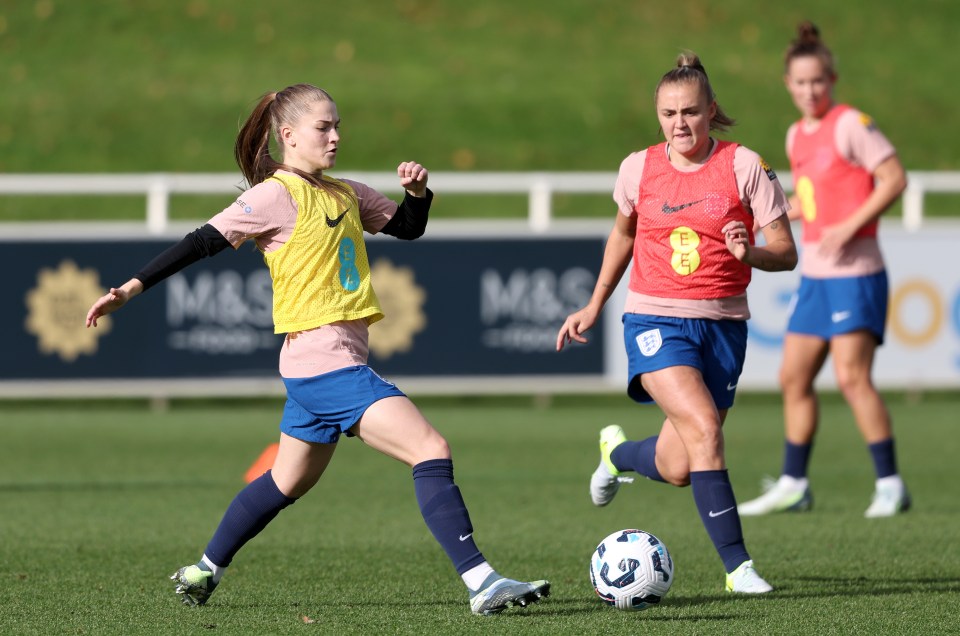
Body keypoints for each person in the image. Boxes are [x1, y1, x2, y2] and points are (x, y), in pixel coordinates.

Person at [85, 83, 550, 615]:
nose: (335, 136)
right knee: (431, 449)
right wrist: (128, 289)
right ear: (288, 136)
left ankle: (203, 569)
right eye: (323, 127)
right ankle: (483, 582)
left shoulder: (346, 192)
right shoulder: (273, 196)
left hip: (317, 370)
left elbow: (406, 228)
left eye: (337, 125)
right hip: (326, 366)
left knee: (284, 482)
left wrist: (418, 195)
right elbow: (199, 242)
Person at [556, 53, 798, 594]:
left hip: (724, 327)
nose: (679, 123)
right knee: (707, 431)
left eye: (690, 111)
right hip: (654, 320)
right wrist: (594, 303)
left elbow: (786, 251)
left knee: (680, 463)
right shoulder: (638, 168)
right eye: (668, 113)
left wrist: (749, 252)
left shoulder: (744, 166)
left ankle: (615, 454)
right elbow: (622, 235)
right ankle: (739, 568)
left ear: (711, 110)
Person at [738, 22, 909, 519]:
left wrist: (849, 226)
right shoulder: (796, 135)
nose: (810, 90)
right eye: (800, 82)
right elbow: (815, 198)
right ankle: (794, 483)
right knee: (793, 376)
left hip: (856, 273)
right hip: (816, 276)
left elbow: (894, 178)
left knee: (853, 378)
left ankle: (891, 484)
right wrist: (775, 215)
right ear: (787, 85)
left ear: (831, 78)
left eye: (818, 80)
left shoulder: (851, 123)